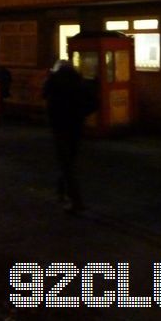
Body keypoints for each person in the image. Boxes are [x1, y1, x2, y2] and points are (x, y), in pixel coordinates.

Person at [42, 59, 95, 213]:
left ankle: (76, 201)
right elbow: (94, 102)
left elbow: (44, 95)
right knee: (69, 160)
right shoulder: (79, 81)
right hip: (76, 127)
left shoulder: (53, 80)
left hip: (59, 126)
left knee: (66, 163)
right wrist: (81, 114)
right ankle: (61, 191)